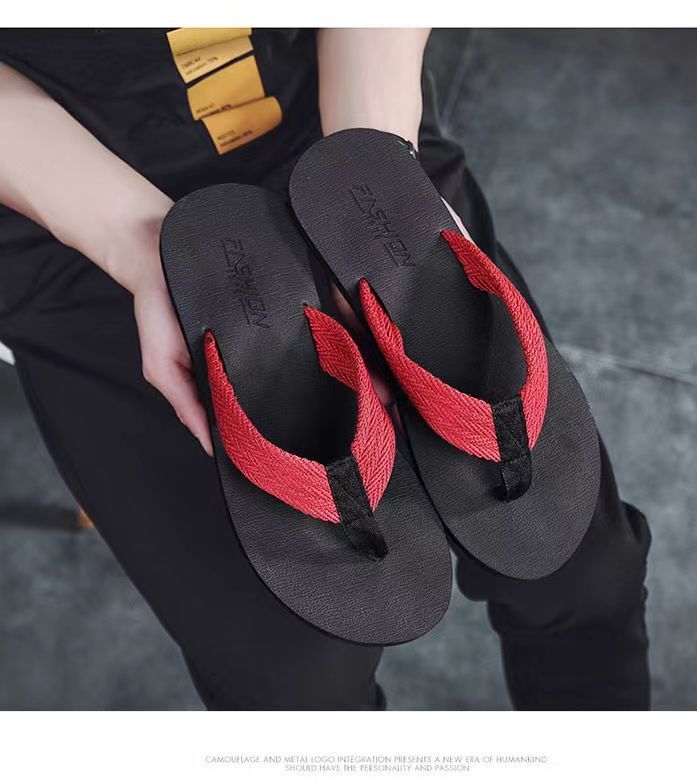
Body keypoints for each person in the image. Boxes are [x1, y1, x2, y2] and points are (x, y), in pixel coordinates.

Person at [0, 28, 651, 709]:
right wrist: (141, 250)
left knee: (586, 567)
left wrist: (367, 168)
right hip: (69, 213)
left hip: (325, 124)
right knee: (296, 679)